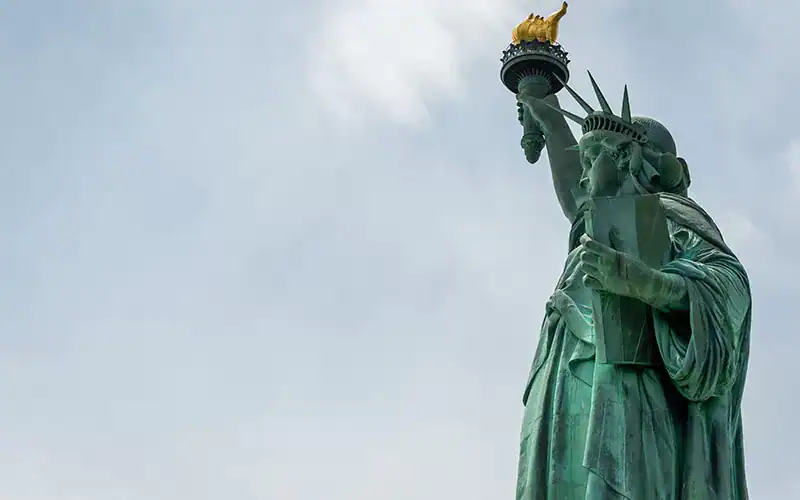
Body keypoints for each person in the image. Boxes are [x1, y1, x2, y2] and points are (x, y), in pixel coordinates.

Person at [513, 77, 751, 499]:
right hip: (568, 387)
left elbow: (729, 288)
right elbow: (574, 193)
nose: (583, 176)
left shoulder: (669, 217)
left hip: (633, 397)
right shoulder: (599, 224)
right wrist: (546, 112)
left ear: (627, 157)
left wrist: (643, 282)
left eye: (591, 160)